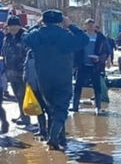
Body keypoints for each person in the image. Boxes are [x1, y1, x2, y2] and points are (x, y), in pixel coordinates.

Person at [24, 10, 88, 150]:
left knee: (51, 108)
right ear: (61, 21)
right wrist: (71, 25)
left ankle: (61, 138)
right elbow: (84, 39)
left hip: (44, 78)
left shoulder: (37, 34)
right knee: (61, 108)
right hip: (62, 77)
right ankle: (54, 138)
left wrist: (36, 25)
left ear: (43, 20)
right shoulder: (66, 35)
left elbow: (25, 37)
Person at [72, 18, 112, 115]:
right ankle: (75, 107)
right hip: (82, 66)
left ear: (95, 26)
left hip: (95, 66)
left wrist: (100, 59)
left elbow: (106, 51)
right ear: (85, 26)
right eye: (88, 24)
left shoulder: (101, 38)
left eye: (92, 24)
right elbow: (74, 50)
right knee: (78, 86)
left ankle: (98, 108)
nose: (90, 26)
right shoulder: (81, 36)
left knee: (97, 87)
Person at [0, 15, 30, 126]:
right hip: (11, 72)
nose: (13, 28)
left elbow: (29, 53)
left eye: (15, 25)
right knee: (18, 95)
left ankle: (26, 117)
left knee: (23, 94)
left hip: (23, 71)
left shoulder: (25, 36)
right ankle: (22, 114)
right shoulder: (6, 38)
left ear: (19, 25)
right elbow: (4, 53)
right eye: (10, 25)